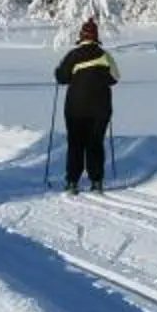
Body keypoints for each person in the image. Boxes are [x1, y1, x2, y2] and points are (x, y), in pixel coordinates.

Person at [53, 18, 118, 194]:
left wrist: (59, 71)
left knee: (76, 144)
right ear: (96, 37)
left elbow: (62, 78)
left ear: (81, 36)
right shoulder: (105, 56)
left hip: (76, 109)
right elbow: (115, 78)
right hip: (101, 109)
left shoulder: (73, 55)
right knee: (95, 143)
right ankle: (96, 181)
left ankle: (72, 182)